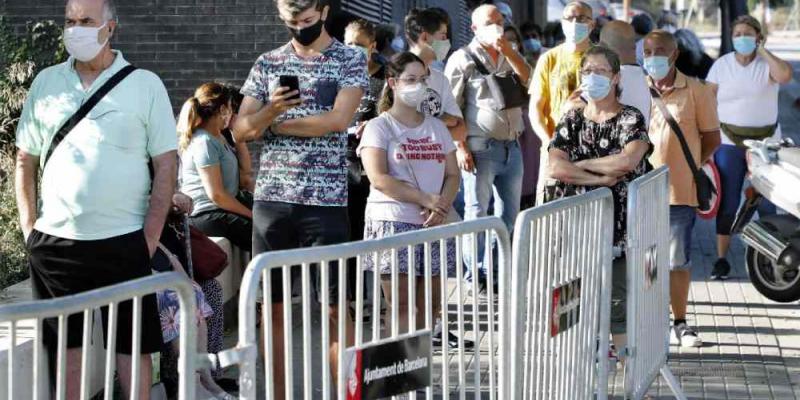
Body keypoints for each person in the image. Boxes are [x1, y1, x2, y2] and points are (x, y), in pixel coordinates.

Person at [15, 0, 175, 397]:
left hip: (125, 238)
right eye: (70, 21)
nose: (75, 29)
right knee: (66, 350)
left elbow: (166, 164)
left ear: (110, 27)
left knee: (132, 346)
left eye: (86, 21)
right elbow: (24, 159)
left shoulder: (145, 84)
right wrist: (29, 230)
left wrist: (149, 237)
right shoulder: (46, 82)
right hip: (55, 243)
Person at [233, 0, 368, 396]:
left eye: (307, 20)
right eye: (292, 21)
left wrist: (275, 125)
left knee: (334, 308)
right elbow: (241, 130)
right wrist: (271, 110)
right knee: (272, 308)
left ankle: (346, 393)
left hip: (326, 202)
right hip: (272, 201)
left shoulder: (349, 59)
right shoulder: (267, 62)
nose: (300, 27)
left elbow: (337, 120)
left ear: (323, 13)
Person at [547, 45, 652, 360]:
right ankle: (571, 369)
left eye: (600, 71)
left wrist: (578, 166)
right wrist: (599, 179)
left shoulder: (630, 118)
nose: (592, 77)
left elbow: (627, 162)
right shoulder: (571, 118)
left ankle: (629, 373)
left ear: (616, 77)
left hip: (619, 230)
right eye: (587, 71)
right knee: (570, 299)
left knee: (617, 302)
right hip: (574, 228)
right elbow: (555, 167)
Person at [358, 52, 460, 344]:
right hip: (393, 222)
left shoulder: (437, 126)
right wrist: (426, 199)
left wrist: (441, 206)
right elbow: (379, 178)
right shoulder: (378, 127)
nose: (419, 85)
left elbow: (453, 174)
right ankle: (399, 367)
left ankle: (422, 369)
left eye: (423, 79)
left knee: (430, 307)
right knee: (402, 307)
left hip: (435, 225)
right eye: (411, 79)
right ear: (393, 83)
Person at [643, 30, 721, 348]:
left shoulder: (696, 91)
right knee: (648, 259)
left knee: (677, 261)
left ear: (674, 54)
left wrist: (690, 167)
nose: (653, 57)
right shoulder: (635, 88)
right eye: (647, 51)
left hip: (679, 191)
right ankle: (653, 319)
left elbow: (712, 138)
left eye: (659, 51)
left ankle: (680, 323)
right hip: (641, 193)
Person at [445, 4, 531, 289]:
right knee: (476, 212)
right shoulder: (462, 58)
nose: (496, 27)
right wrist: (460, 147)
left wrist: (509, 51)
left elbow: (528, 78)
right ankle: (475, 275)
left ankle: (493, 267)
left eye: (499, 21)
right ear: (474, 28)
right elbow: (451, 107)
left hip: (512, 146)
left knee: (509, 214)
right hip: (480, 147)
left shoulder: (510, 51)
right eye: (489, 23)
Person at [706, 15, 793, 280]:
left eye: (748, 34)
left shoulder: (767, 65)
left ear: (758, 37)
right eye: (737, 34)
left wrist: (763, 51)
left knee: (767, 202)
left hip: (766, 144)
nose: (742, 38)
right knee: (728, 202)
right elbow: (707, 101)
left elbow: (785, 76)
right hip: (729, 143)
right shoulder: (722, 65)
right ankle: (722, 259)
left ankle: (770, 257)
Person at [530, 0, 596, 204]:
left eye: (581, 18)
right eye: (570, 18)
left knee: (587, 213)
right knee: (549, 211)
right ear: (562, 22)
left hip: (592, 153)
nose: (575, 23)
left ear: (592, 24)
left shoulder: (603, 59)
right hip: (555, 151)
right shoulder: (548, 59)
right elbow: (536, 108)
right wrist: (548, 142)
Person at [178, 83, 253, 252]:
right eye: (231, 107)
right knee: (264, 234)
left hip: (220, 210)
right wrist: (252, 215)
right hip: (206, 215)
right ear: (223, 109)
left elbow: (244, 177)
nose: (233, 113)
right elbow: (217, 195)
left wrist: (238, 135)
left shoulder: (219, 137)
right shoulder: (204, 142)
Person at [405, 8, 468, 143]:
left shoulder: (441, 80)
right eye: (443, 35)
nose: (447, 41)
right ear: (425, 37)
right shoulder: (397, 75)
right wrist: (442, 120)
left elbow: (460, 131)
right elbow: (400, 128)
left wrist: (422, 125)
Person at [600, 20, 651, 124]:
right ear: (634, 47)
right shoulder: (647, 81)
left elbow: (572, 107)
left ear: (603, 47)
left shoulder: (605, 81)